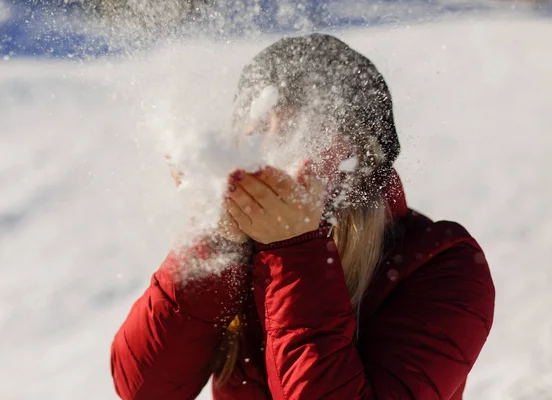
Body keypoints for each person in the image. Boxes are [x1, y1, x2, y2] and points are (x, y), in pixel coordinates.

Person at [110, 33, 495, 400]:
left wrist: (295, 251)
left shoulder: (442, 264)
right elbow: (143, 388)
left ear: (360, 153)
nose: (275, 145)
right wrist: (217, 241)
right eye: (258, 126)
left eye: (298, 124)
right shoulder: (242, 244)